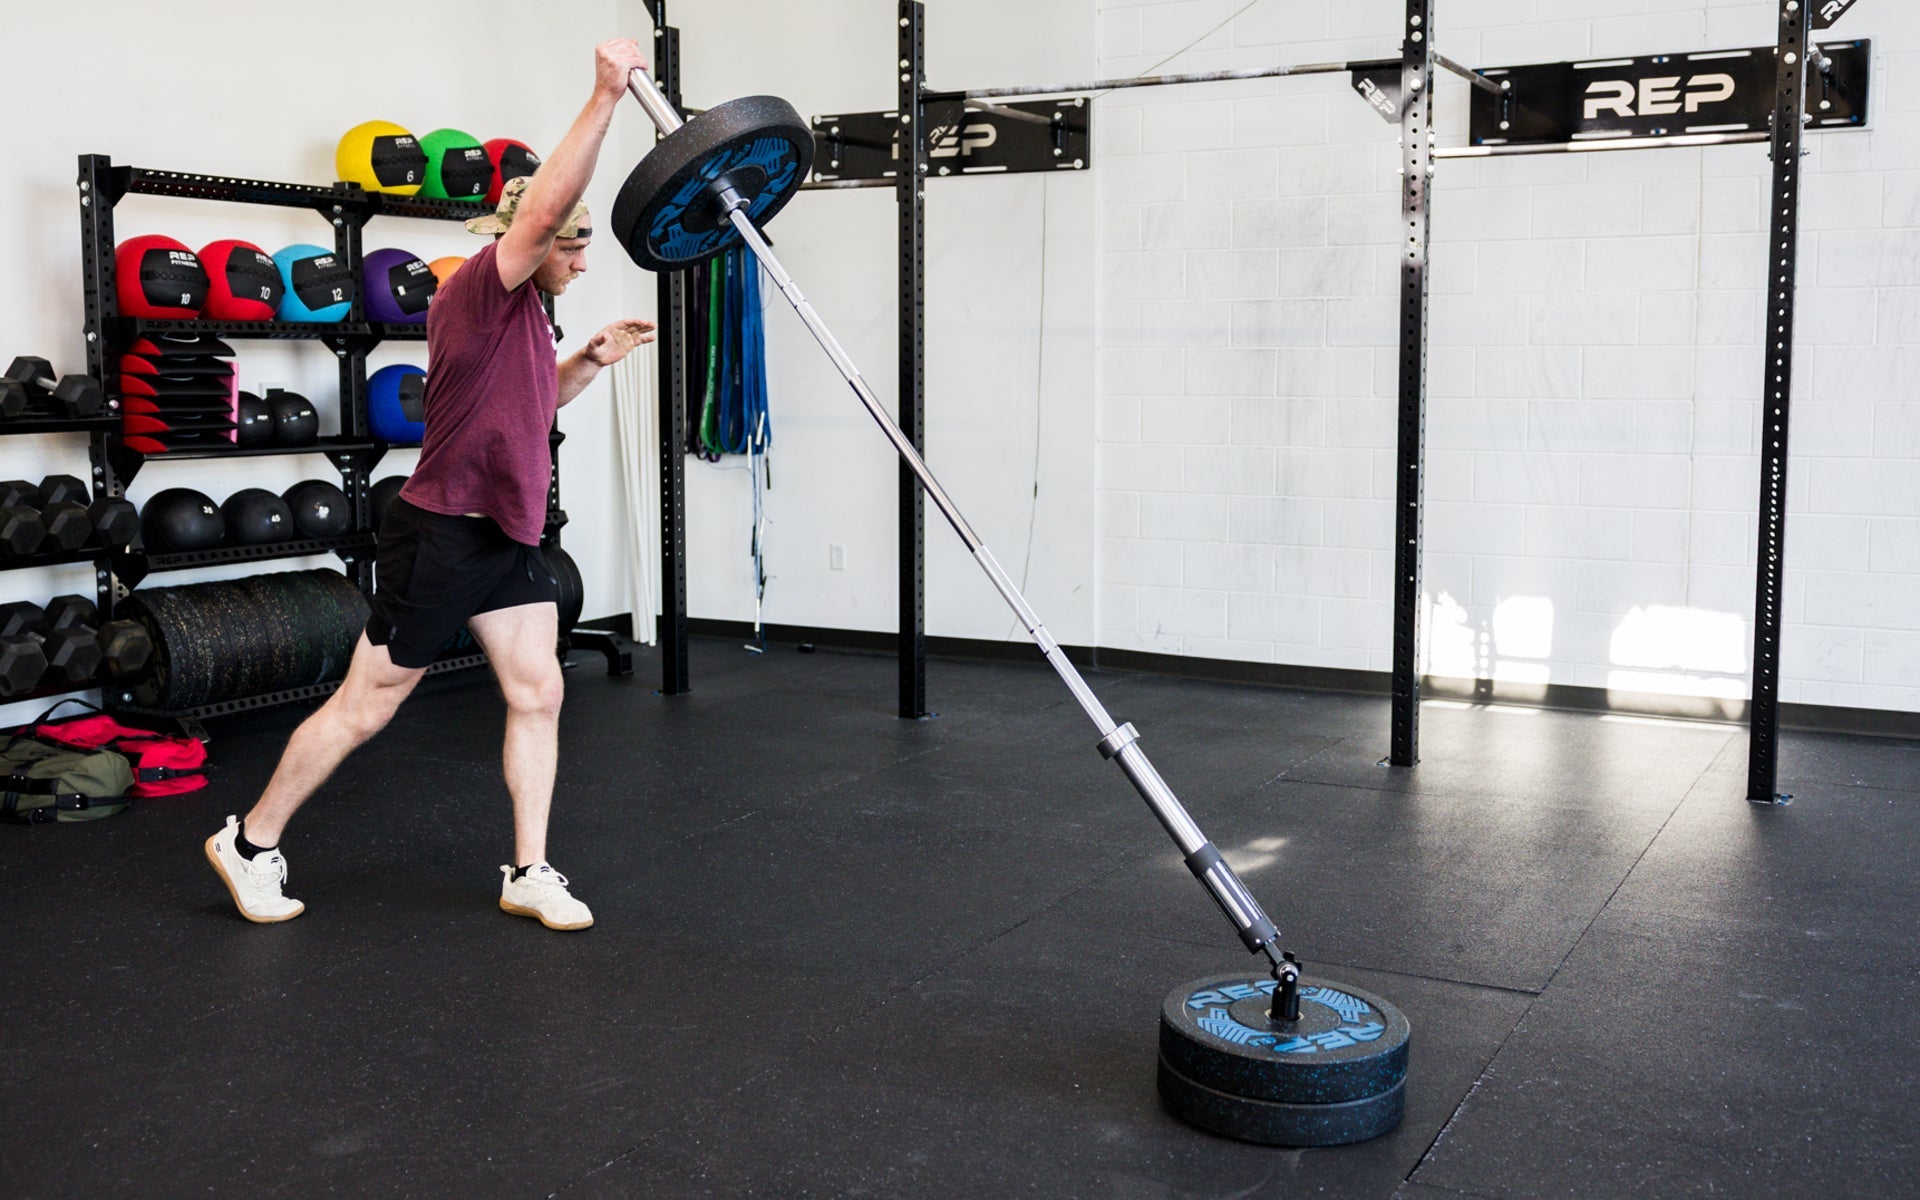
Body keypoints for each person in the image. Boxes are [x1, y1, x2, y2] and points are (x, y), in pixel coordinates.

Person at [206, 38, 657, 931]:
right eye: (573, 242)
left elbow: (525, 405)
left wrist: (586, 363)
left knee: (539, 691)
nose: (582, 257)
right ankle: (249, 842)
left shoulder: (527, 315)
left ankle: (528, 869)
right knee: (367, 704)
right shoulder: (483, 290)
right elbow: (545, 209)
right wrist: (604, 96)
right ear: (528, 239)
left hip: (508, 533)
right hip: (444, 529)